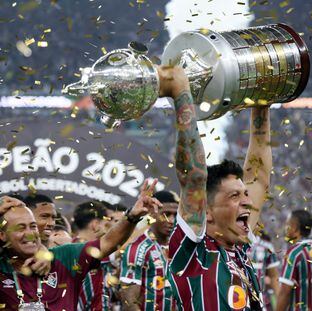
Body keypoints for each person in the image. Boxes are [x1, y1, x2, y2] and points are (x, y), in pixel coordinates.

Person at [158, 65, 272, 310]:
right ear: (207, 211)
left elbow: (259, 176)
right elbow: (193, 176)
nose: (247, 201)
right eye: (234, 196)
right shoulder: (193, 252)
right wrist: (181, 92)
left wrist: (262, 103)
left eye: (244, 194)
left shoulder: (239, 245)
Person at [0, 180, 161, 310]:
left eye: (33, 226)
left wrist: (132, 215)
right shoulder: (2, 266)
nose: (30, 233)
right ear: (2, 234)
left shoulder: (65, 256)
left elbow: (107, 243)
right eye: (20, 228)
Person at [119, 190, 179, 310]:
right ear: (152, 213)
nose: (171, 220)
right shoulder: (138, 249)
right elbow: (129, 302)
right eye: (166, 214)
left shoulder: (180, 247)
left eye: (175, 215)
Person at [276, 210, 312, 311]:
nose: (286, 228)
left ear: (294, 228)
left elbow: (285, 291)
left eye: (288, 225)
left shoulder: (294, 253)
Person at [248, 232, 280, 310]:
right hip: (237, 299)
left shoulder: (266, 246)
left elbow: (274, 277)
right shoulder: (230, 242)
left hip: (260, 301)